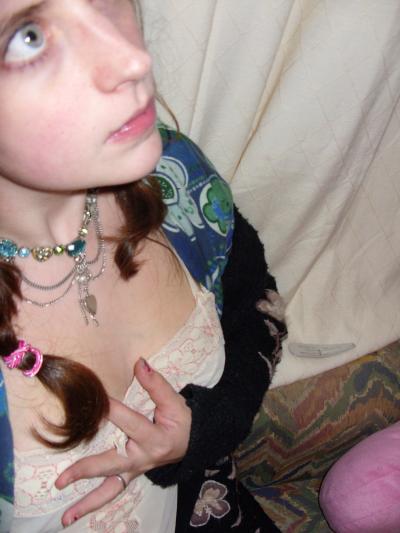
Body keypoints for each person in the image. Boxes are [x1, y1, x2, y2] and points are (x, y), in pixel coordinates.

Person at [0, 1, 286, 531]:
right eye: (29, 36)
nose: (133, 59)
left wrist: (200, 431)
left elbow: (259, 308)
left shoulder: (173, 175)